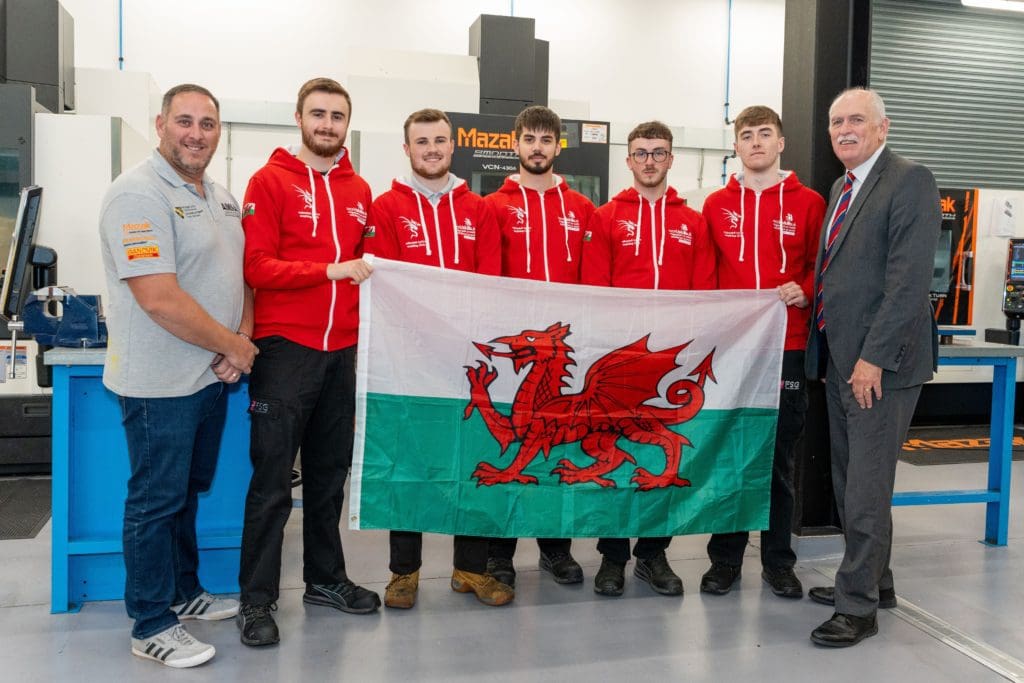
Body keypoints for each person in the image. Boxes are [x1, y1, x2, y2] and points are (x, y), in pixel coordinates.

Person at [99, 83, 258, 668]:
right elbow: (159, 299)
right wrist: (236, 347)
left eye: (208, 123)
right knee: (154, 501)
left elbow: (242, 277)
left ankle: (184, 593)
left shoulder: (221, 197)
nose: (197, 133)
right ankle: (149, 621)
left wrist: (237, 342)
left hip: (209, 377)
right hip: (158, 384)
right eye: (185, 121)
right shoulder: (136, 195)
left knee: (186, 493)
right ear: (161, 123)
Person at [236, 77, 379, 647]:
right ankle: (256, 600)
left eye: (337, 116)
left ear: (348, 123)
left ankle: (325, 579)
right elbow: (258, 267)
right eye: (317, 114)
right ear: (299, 117)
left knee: (328, 480)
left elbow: (377, 266)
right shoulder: (268, 181)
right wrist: (329, 271)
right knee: (272, 483)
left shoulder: (360, 188)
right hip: (285, 351)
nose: (327, 124)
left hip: (341, 353)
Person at [805, 88, 940, 647]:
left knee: (864, 488)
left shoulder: (909, 179)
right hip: (841, 360)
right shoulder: (843, 186)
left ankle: (857, 606)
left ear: (883, 127)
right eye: (837, 121)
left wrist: (871, 360)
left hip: (879, 367)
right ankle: (873, 580)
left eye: (856, 119)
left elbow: (908, 284)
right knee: (847, 483)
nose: (844, 130)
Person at [364, 108, 513, 610]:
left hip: (468, 364)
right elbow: (385, 285)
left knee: (472, 462)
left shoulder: (482, 209)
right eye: (421, 141)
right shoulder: (385, 207)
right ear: (406, 148)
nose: (431, 148)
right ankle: (403, 572)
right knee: (410, 463)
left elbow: (491, 285)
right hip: (408, 363)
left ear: (454, 148)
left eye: (440, 141)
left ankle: (471, 568)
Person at [581, 120, 716, 597]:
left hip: (673, 362)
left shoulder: (693, 221)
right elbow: (595, 290)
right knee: (619, 455)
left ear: (671, 158)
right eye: (641, 153)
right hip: (621, 363)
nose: (650, 161)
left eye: (658, 152)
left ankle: (654, 554)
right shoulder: (605, 217)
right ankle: (613, 556)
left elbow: (704, 292)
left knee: (664, 446)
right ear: (629, 160)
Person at [700, 105, 825, 599]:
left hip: (787, 346)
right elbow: (707, 277)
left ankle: (778, 561)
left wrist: (807, 288)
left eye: (764, 134)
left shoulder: (810, 202)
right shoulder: (715, 205)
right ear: (736, 146)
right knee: (730, 456)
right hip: (732, 353)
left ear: (781, 143)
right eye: (746, 135)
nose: (755, 142)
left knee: (778, 459)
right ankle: (725, 560)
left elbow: (821, 265)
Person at [483, 105, 595, 588]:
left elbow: (594, 285)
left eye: (546, 140)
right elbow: (485, 278)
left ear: (557, 146)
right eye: (529, 138)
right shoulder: (493, 206)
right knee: (508, 441)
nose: (537, 148)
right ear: (515, 144)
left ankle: (555, 549)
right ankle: (499, 554)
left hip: (560, 354)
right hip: (516, 357)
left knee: (551, 451)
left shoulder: (583, 209)